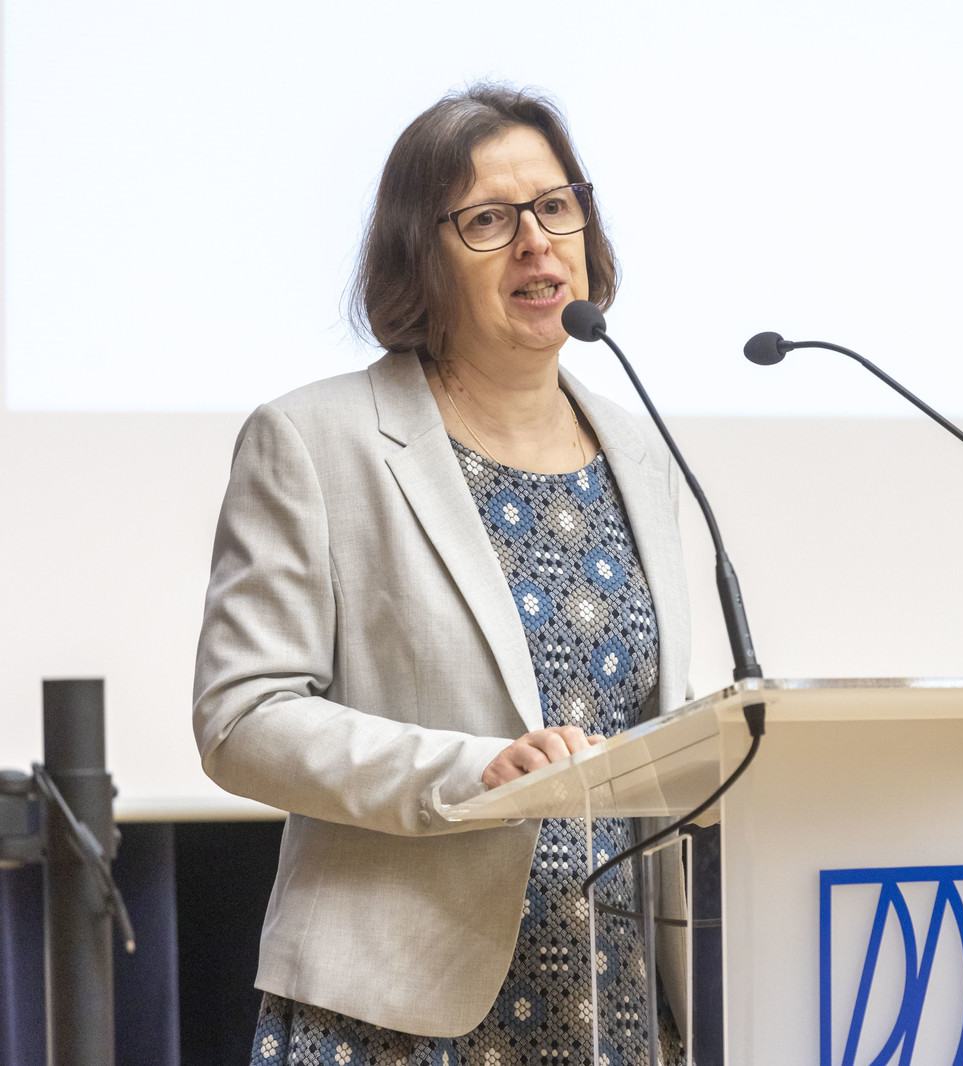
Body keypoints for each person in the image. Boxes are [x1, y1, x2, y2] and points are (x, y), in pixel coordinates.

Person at [192, 84, 692, 1065]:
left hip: (609, 1000)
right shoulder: (314, 440)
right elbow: (241, 717)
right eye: (489, 221)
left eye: (556, 207)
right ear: (419, 255)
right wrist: (471, 771)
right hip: (391, 1014)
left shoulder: (640, 453)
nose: (537, 243)